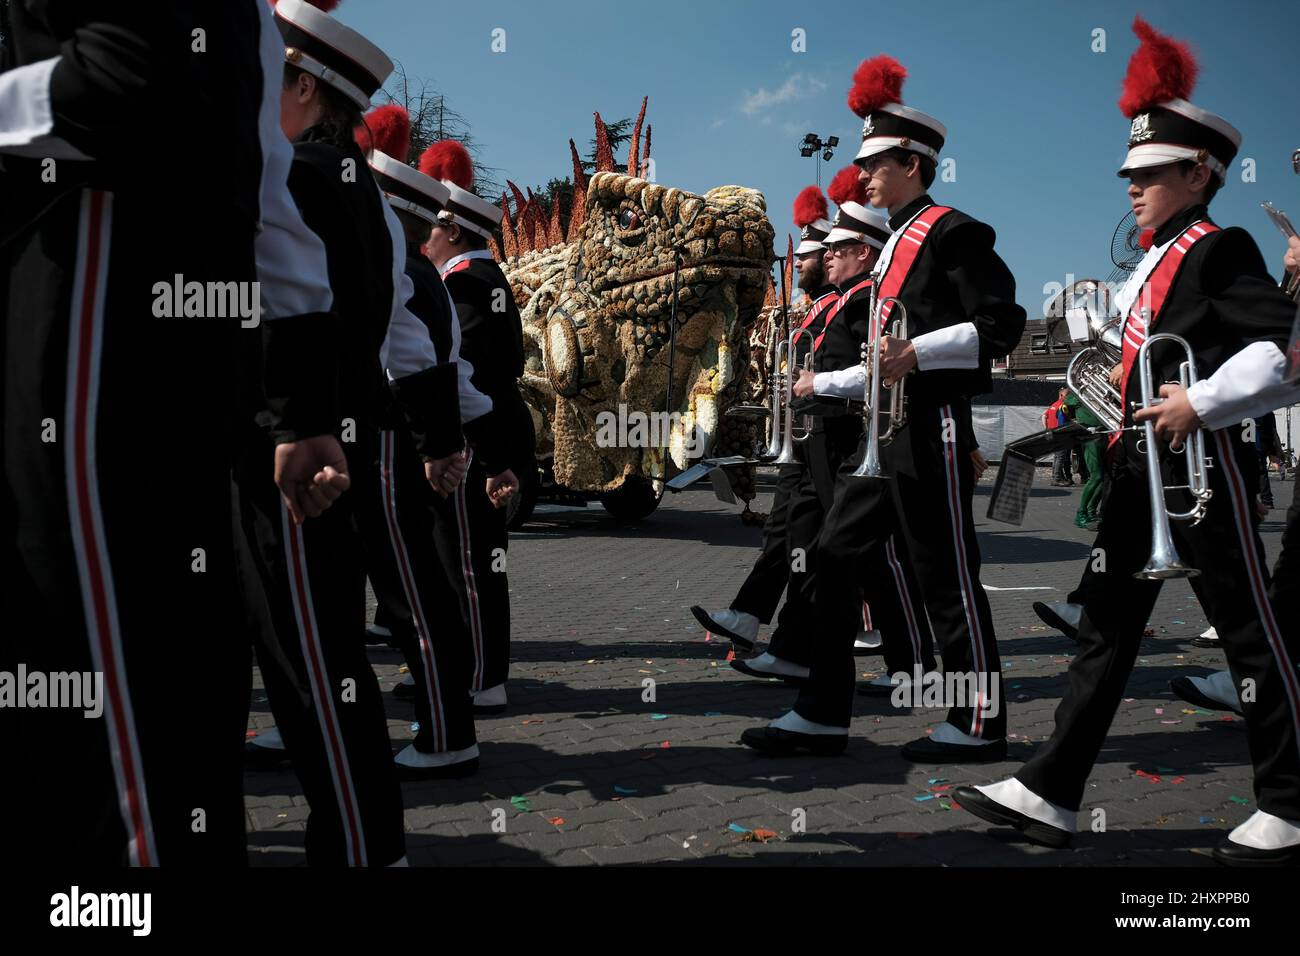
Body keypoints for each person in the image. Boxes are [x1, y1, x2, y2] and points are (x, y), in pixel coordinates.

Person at [3, 0, 347, 866]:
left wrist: (299, 410)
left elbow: (125, 74)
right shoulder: (251, 37)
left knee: (103, 718)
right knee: (155, 692)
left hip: (92, 303)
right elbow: (273, 212)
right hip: (158, 342)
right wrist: (297, 409)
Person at [957, 18, 1300, 866]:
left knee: (1251, 634)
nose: (1132, 187)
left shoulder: (1221, 248)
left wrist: (1201, 402)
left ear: (1198, 172)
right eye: (1129, 174)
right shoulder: (1152, 262)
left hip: (1200, 469)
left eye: (1149, 174)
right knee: (1105, 632)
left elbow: (1282, 351)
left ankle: (1291, 805)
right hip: (1137, 474)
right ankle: (1050, 791)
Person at [740, 56, 1025, 761]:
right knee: (831, 560)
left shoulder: (955, 232)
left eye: (875, 163)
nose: (863, 176)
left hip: (931, 428)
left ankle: (979, 723)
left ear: (913, 161)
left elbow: (1001, 325)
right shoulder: (894, 239)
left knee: (947, 578)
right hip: (882, 436)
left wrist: (914, 354)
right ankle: (823, 712)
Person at [691, 186, 841, 650]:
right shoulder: (819, 310)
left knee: (823, 545)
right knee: (783, 534)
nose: (799, 266)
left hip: (833, 441)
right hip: (804, 442)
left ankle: (865, 633)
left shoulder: (849, 306)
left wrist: (811, 384)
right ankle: (750, 618)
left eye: (808, 259)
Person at [1063, 389, 1104, 528]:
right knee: (1096, 476)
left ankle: (1091, 511)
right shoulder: (1077, 393)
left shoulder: (1099, 392)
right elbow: (1066, 403)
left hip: (1104, 434)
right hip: (1090, 437)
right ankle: (1081, 513)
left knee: (1104, 478)